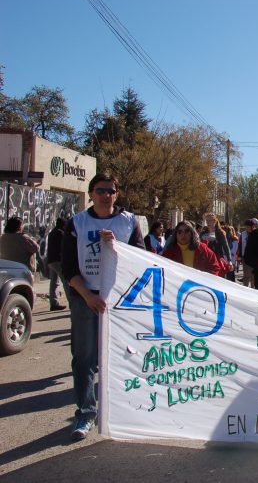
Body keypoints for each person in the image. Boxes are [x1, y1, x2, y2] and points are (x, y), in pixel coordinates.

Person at [60, 173, 145, 441]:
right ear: (91, 194)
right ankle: (86, 412)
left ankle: (124, 409)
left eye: (110, 191)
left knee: (125, 355)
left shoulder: (129, 222)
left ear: (116, 194)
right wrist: (87, 296)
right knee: (84, 358)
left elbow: (140, 261)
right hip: (86, 298)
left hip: (118, 300)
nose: (105, 195)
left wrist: (115, 246)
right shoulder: (77, 223)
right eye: (100, 191)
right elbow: (69, 268)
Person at [200, 213, 232, 278]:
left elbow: (226, 247)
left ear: (215, 221)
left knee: (218, 278)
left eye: (210, 220)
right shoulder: (203, 233)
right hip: (205, 259)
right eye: (207, 220)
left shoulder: (220, 233)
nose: (208, 222)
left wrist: (229, 260)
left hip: (217, 258)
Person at [46, 218, 68, 311]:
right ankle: (72, 302)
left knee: (54, 283)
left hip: (51, 260)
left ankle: (53, 303)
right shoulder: (61, 233)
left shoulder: (52, 233)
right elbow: (64, 248)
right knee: (66, 282)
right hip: (58, 261)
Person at [239, 219, 258, 287]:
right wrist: (240, 256)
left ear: (252, 226)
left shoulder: (257, 233)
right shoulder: (243, 234)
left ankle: (253, 288)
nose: (247, 228)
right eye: (246, 226)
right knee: (246, 275)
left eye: (248, 226)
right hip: (245, 257)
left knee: (253, 275)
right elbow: (240, 245)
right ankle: (245, 288)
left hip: (255, 258)